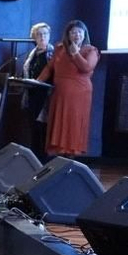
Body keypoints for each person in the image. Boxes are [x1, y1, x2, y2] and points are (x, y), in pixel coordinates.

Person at [37, 19, 99, 158]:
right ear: (68, 34)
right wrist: (37, 81)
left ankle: (72, 153)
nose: (76, 35)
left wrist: (76, 53)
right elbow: (49, 67)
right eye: (73, 32)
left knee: (73, 123)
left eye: (79, 32)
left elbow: (86, 67)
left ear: (84, 34)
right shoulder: (60, 48)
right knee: (58, 122)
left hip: (79, 94)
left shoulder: (91, 50)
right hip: (59, 92)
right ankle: (57, 152)